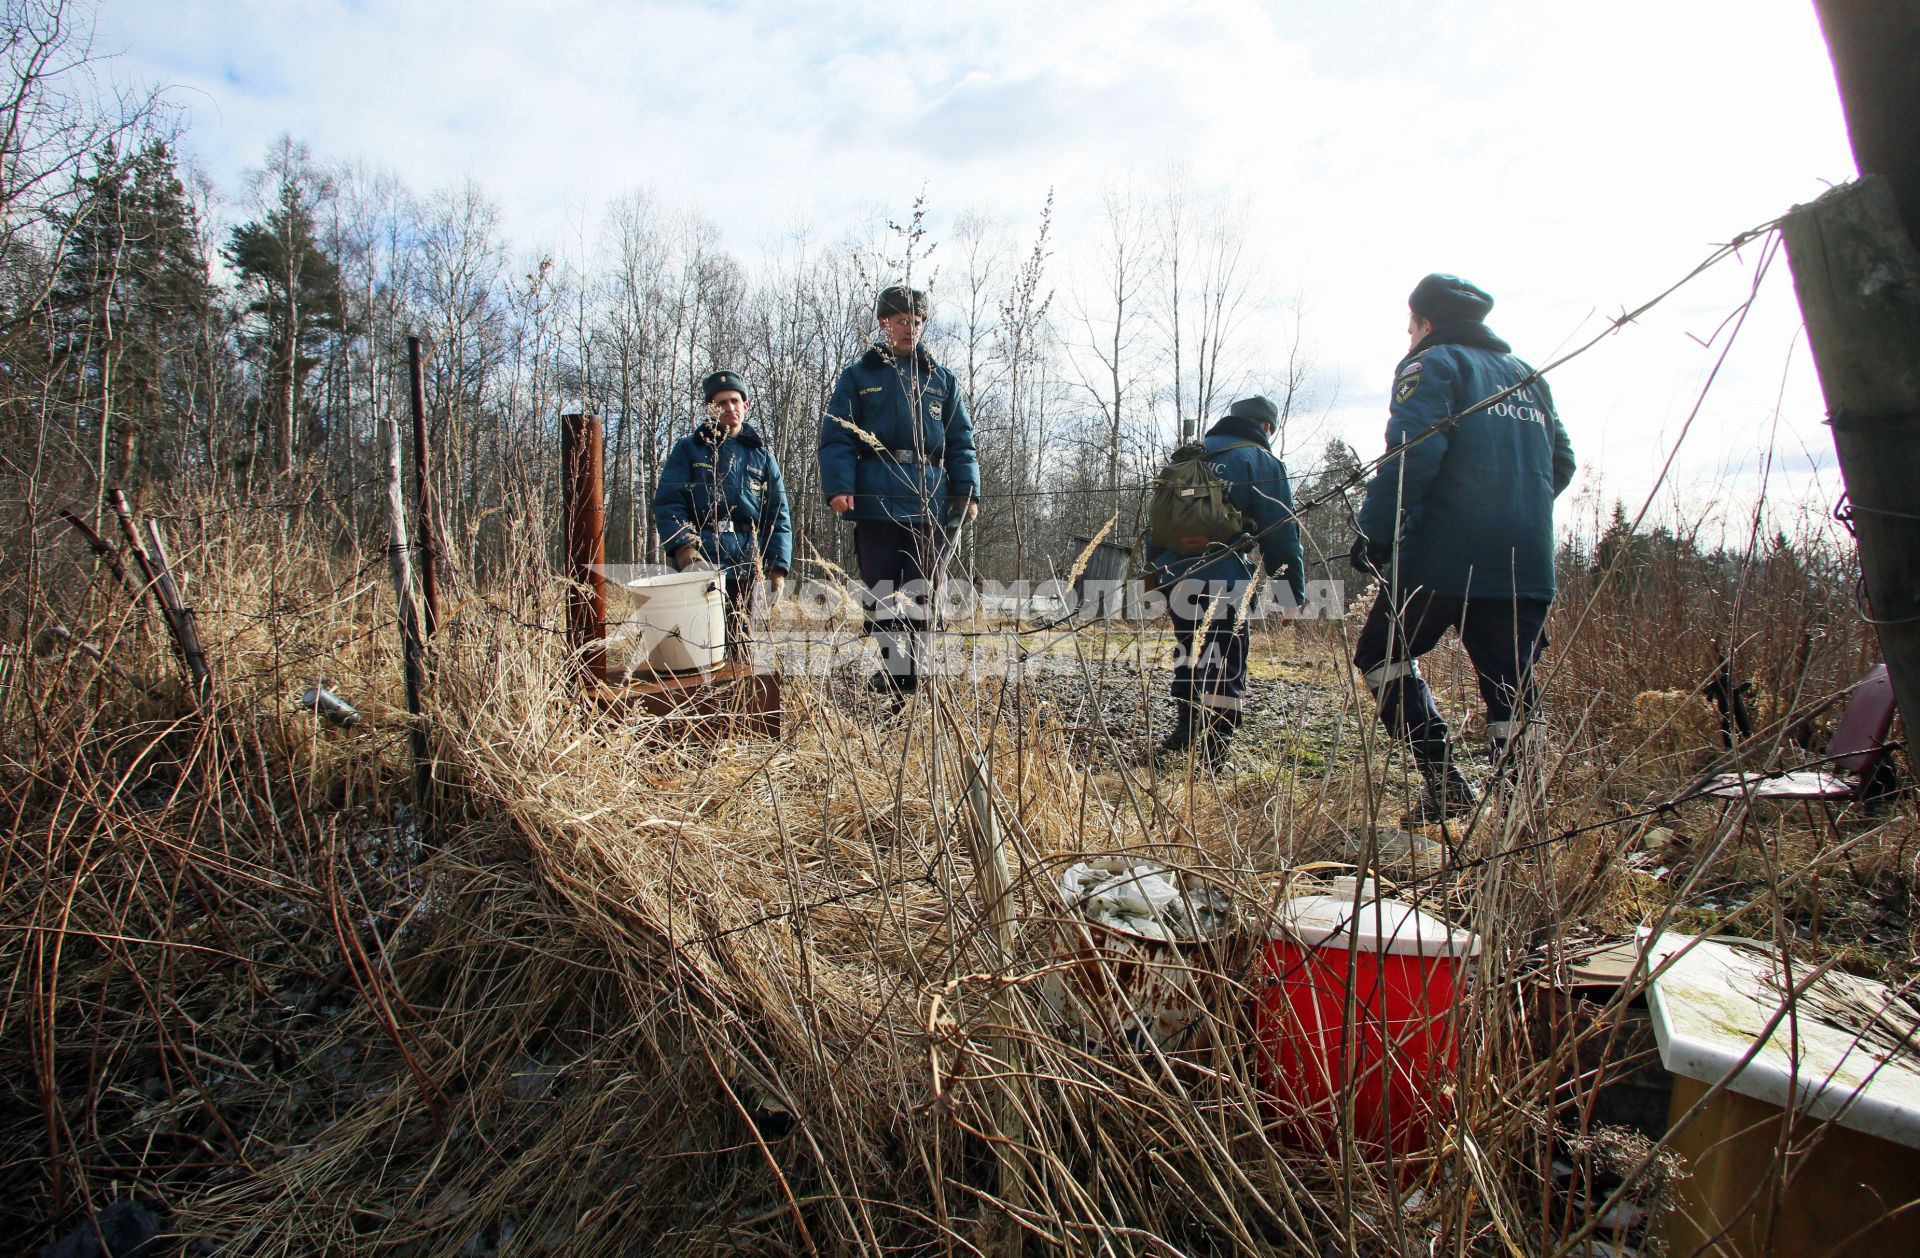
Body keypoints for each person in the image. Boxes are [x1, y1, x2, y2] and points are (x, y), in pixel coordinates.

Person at [1350, 273, 1577, 823]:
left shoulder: (1433, 363)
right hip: (1525, 558)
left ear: (1425, 322)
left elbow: (1413, 451)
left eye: (1409, 326)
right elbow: (1562, 463)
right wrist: (1513, 505)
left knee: (1381, 654)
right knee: (1510, 679)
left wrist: (1377, 530)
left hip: (1443, 555)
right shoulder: (1528, 376)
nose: (1409, 337)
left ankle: (1444, 781)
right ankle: (1523, 814)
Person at [818, 284, 980, 696]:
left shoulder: (942, 380)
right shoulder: (859, 376)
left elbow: (961, 441)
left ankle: (918, 677)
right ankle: (895, 672)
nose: (912, 328)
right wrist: (839, 485)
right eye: (903, 320)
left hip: (929, 502)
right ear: (883, 324)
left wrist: (968, 492)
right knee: (881, 594)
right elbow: (837, 436)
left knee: (924, 592)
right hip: (874, 500)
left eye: (918, 321)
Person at [1147, 395, 1305, 768]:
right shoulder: (1260, 461)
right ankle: (1214, 753)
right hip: (1226, 579)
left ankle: (1186, 731)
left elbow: (1160, 524)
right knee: (1224, 660)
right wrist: (1289, 595)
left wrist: (1158, 573)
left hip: (1177, 577)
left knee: (1190, 650)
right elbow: (1281, 534)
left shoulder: (1188, 456)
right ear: (1267, 427)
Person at [653, 369, 793, 660]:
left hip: (746, 560)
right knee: (700, 647)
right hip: (701, 560)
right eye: (720, 403)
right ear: (710, 408)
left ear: (746, 404)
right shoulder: (689, 449)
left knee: (741, 644)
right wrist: (684, 549)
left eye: (734, 401)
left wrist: (778, 567)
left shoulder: (762, 457)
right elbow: (669, 502)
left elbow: (777, 514)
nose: (729, 408)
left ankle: (742, 704)